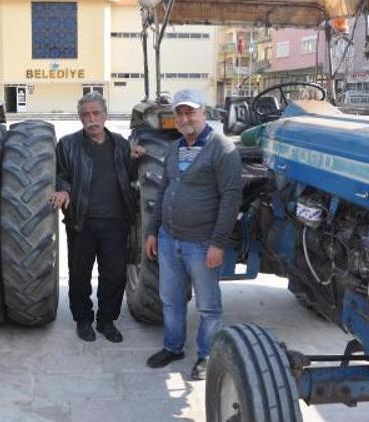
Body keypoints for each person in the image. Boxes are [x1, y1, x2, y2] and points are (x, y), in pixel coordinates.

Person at [144, 89, 242, 380]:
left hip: (201, 244)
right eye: (180, 113)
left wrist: (218, 243)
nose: (185, 118)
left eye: (191, 112)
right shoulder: (175, 148)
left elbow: (230, 198)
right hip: (168, 239)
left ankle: (207, 354)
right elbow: (164, 190)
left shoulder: (222, 149)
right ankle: (173, 347)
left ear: (204, 113)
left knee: (208, 306)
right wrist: (152, 231)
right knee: (171, 300)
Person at [50, 92, 145, 343]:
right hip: (82, 220)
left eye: (96, 113)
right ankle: (83, 320)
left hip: (116, 220)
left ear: (105, 114)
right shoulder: (68, 145)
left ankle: (106, 320)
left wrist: (136, 160)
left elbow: (129, 176)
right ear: (80, 118)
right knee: (80, 274)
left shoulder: (121, 144)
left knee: (114, 275)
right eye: (85, 115)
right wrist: (63, 189)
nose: (91, 119)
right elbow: (62, 174)